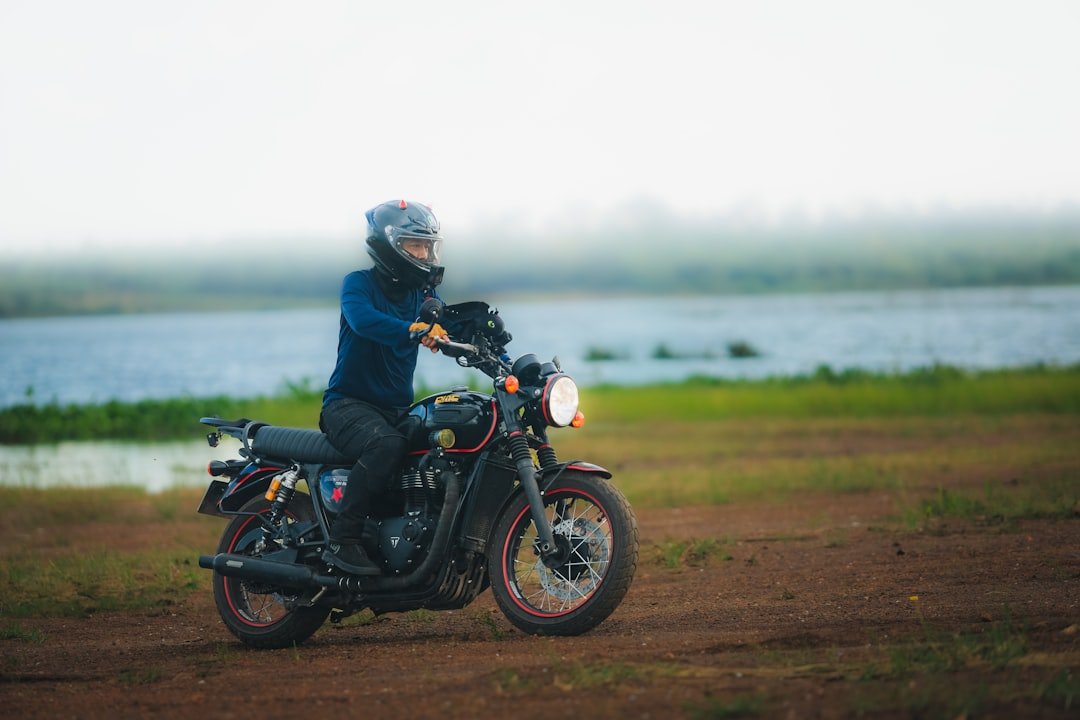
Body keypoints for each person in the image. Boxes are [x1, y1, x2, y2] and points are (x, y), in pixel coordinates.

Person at [319, 199, 447, 575]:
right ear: (390, 246)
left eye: (427, 246)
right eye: (415, 245)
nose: (424, 254)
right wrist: (411, 330)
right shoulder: (358, 284)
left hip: (394, 410)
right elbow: (363, 320)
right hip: (347, 406)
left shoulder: (422, 296)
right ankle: (343, 540)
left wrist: (486, 332)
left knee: (435, 444)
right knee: (386, 444)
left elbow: (447, 319)